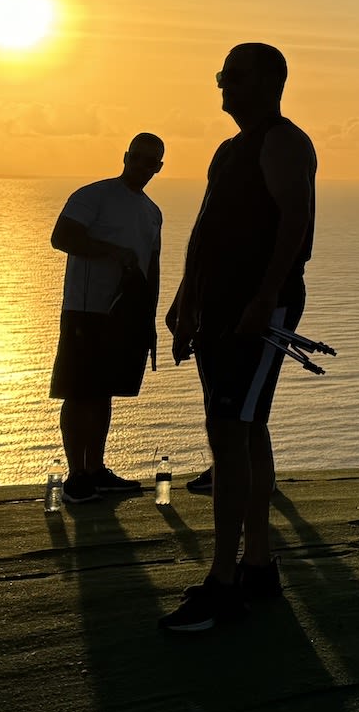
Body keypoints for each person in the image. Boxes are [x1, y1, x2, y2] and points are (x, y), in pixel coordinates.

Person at [158, 43, 318, 632]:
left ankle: (225, 582)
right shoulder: (229, 150)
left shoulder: (282, 141)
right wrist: (184, 300)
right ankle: (257, 565)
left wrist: (263, 299)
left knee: (229, 433)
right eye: (220, 74)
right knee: (244, 429)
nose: (221, 85)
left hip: (257, 307)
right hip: (222, 306)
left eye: (233, 76)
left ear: (270, 81)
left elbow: (295, 221)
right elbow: (206, 228)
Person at [47, 134, 165, 503]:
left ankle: (95, 469)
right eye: (138, 158)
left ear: (159, 168)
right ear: (126, 156)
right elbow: (62, 237)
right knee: (79, 391)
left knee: (102, 393)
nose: (142, 166)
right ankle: (76, 475)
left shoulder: (151, 211)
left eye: (151, 162)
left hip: (124, 316)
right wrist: (115, 253)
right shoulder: (92, 195)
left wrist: (150, 320)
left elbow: (152, 267)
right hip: (85, 309)